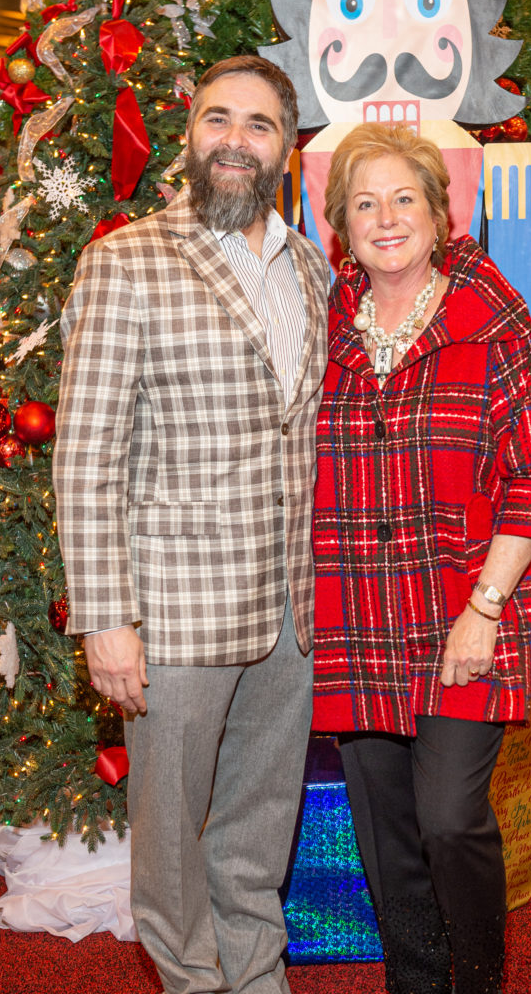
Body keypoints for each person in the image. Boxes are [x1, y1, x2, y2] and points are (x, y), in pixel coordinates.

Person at [52, 55, 329, 994]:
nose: (235, 141)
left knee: (259, 822)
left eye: (258, 125)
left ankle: (256, 975)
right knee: (171, 839)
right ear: (190, 134)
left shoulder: (314, 268)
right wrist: (105, 618)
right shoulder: (126, 258)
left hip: (290, 608)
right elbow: (85, 454)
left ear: (286, 148)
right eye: (219, 119)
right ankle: (190, 981)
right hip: (171, 614)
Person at [312, 122, 531, 994]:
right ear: (341, 225)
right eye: (364, 203)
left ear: (437, 210)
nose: (386, 218)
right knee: (385, 830)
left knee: (450, 817)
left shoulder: (490, 317)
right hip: (353, 611)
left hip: (467, 605)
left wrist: (486, 609)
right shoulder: (319, 326)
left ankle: (478, 981)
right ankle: (416, 983)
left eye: (403, 198)